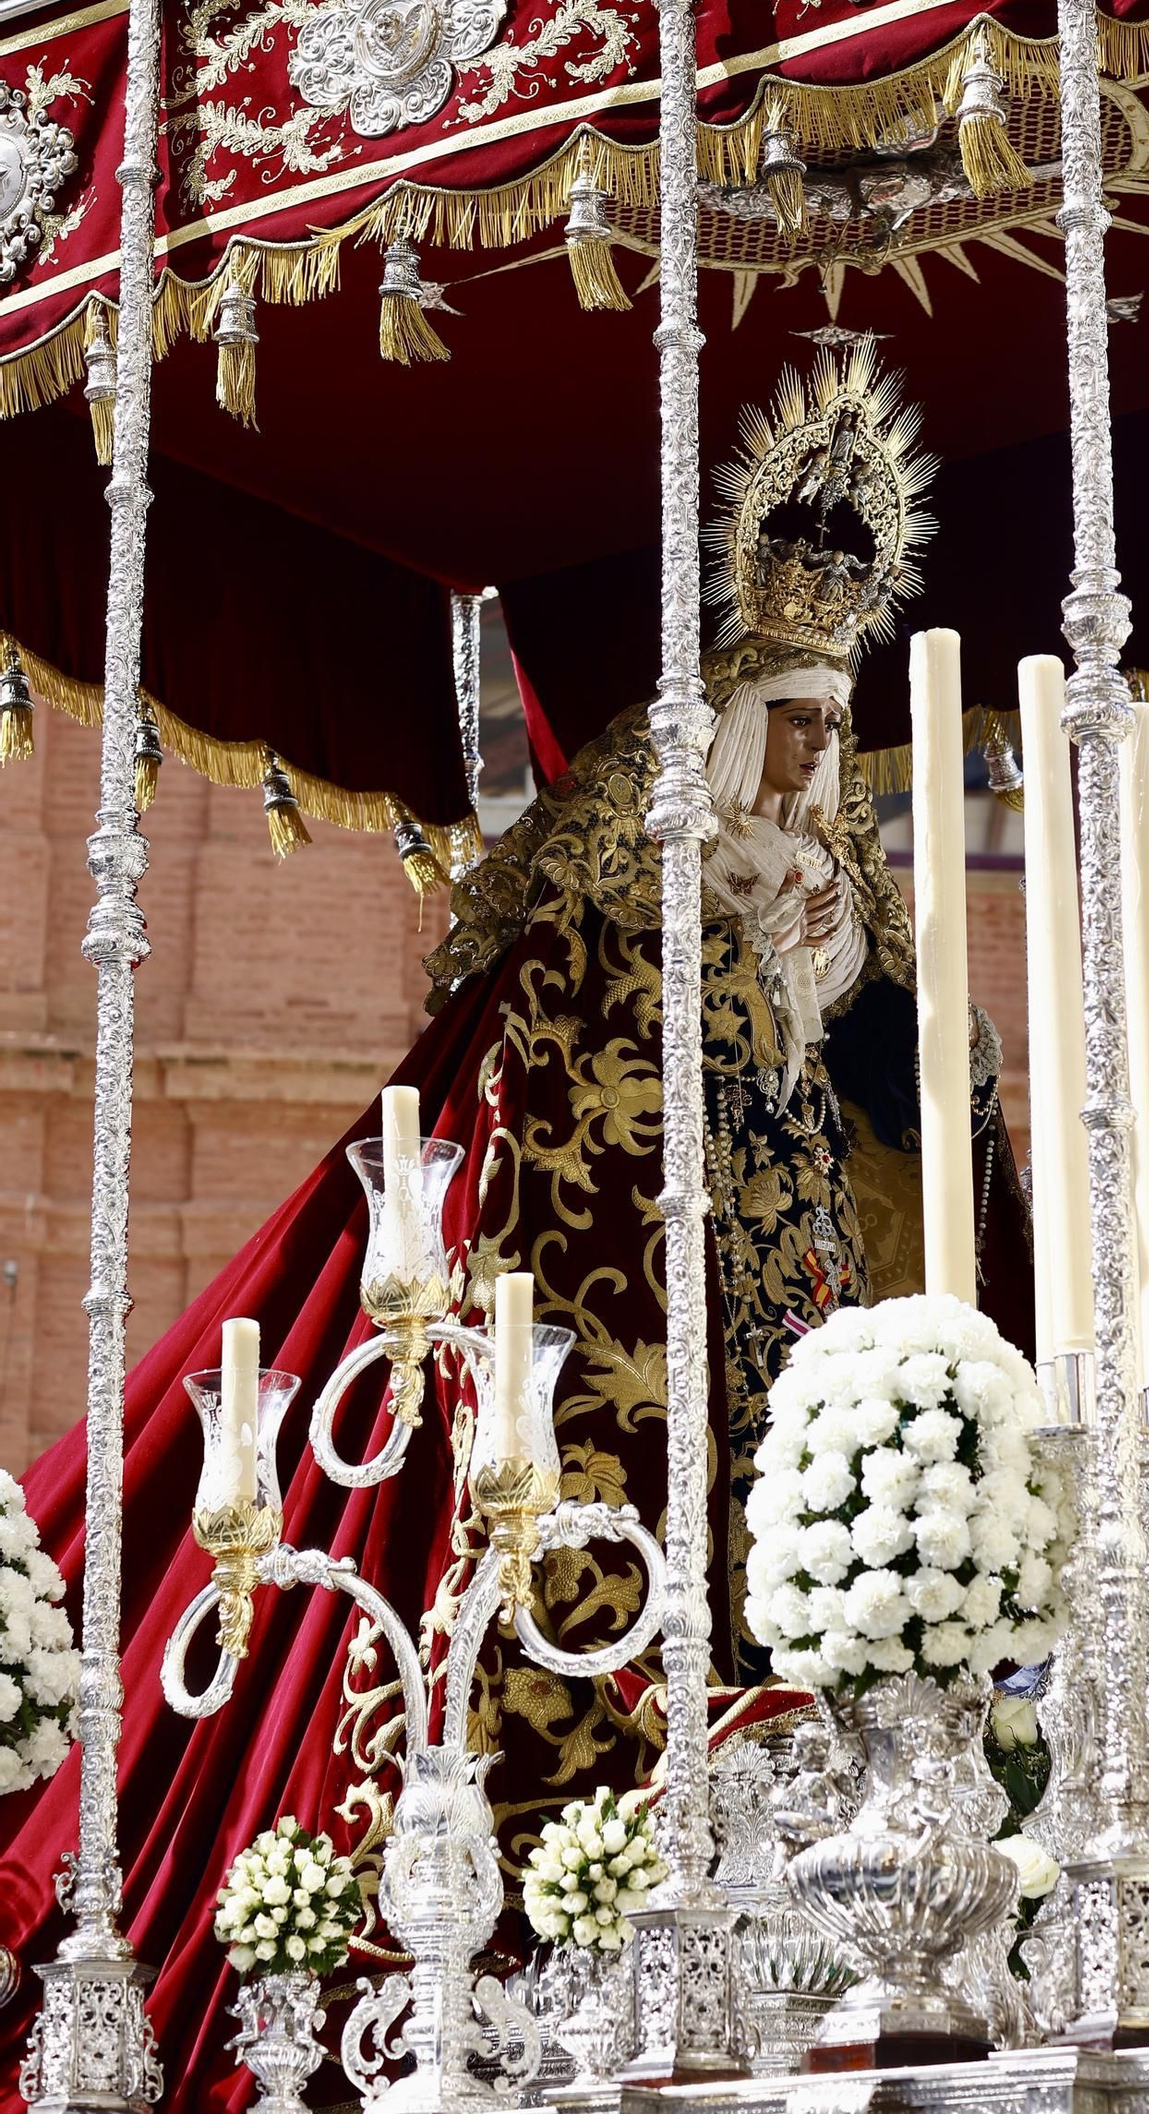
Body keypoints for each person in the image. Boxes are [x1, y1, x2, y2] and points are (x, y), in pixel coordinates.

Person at [0, 345, 1031, 2103]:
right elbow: (538, 1167)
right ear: (705, 744)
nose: (810, 779)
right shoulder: (592, 954)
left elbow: (938, 1183)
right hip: (586, 1442)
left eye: (833, 744)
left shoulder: (845, 972)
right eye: (783, 731)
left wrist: (932, 1057)